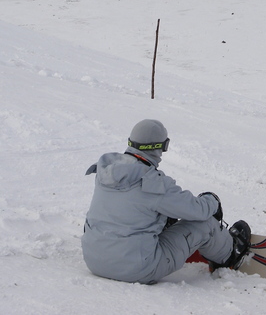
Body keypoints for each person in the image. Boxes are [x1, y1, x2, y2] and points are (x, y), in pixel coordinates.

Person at [81, 119, 251, 284]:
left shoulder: (107, 171)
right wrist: (212, 200)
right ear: (158, 146)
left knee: (158, 214)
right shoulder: (152, 182)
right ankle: (230, 254)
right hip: (138, 270)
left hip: (94, 261)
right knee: (204, 223)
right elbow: (197, 210)